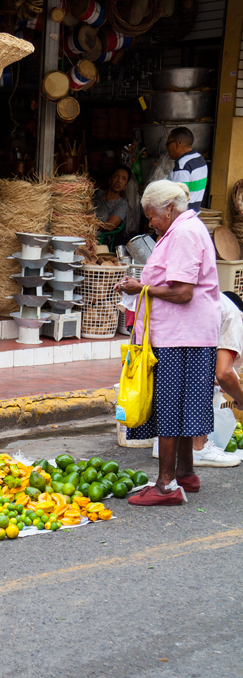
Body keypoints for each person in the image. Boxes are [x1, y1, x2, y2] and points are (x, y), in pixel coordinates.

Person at [115, 179, 220, 507]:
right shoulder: (180, 230)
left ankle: (165, 485)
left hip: (182, 336)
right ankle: (186, 472)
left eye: (152, 216)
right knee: (183, 405)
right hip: (185, 334)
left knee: (171, 407)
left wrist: (140, 289)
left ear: (171, 209)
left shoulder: (186, 233)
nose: (150, 222)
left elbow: (183, 291)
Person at [191, 291, 243, 465]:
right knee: (200, 379)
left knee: (182, 378)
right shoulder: (233, 314)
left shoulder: (206, 297)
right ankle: (199, 447)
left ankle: (163, 446)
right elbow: (224, 373)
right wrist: (241, 400)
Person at [167, 127, 208, 213]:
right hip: (193, 214)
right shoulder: (200, 159)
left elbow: (178, 198)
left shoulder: (182, 165)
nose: (167, 148)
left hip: (181, 217)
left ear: (177, 144)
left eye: (168, 144)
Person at [93, 165, 131, 232]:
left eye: (124, 179)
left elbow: (109, 226)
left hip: (99, 237)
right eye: (116, 176)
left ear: (125, 186)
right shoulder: (98, 193)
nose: (119, 180)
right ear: (110, 180)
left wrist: (88, 224)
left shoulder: (122, 204)